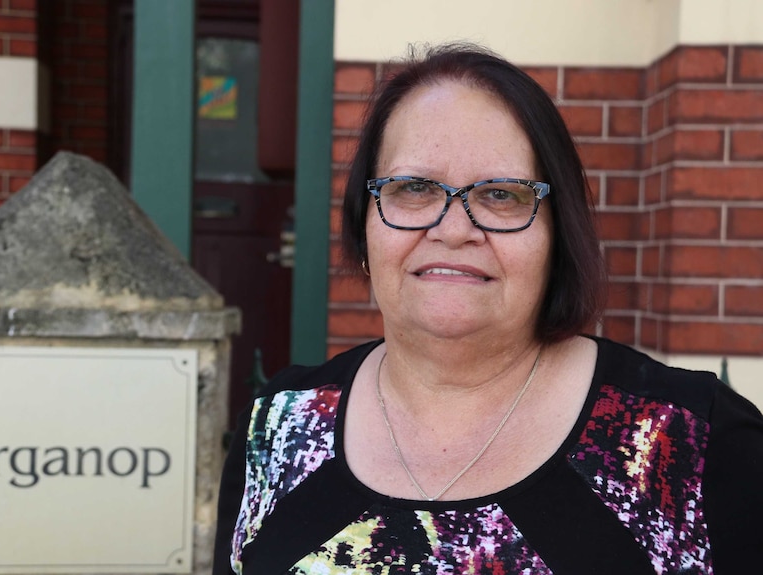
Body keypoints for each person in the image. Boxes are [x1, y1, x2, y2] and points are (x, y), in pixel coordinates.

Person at [213, 43, 763, 574]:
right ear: (365, 223)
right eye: (413, 189)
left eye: (501, 195)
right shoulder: (277, 432)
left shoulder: (694, 442)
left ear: (557, 233)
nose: (453, 230)